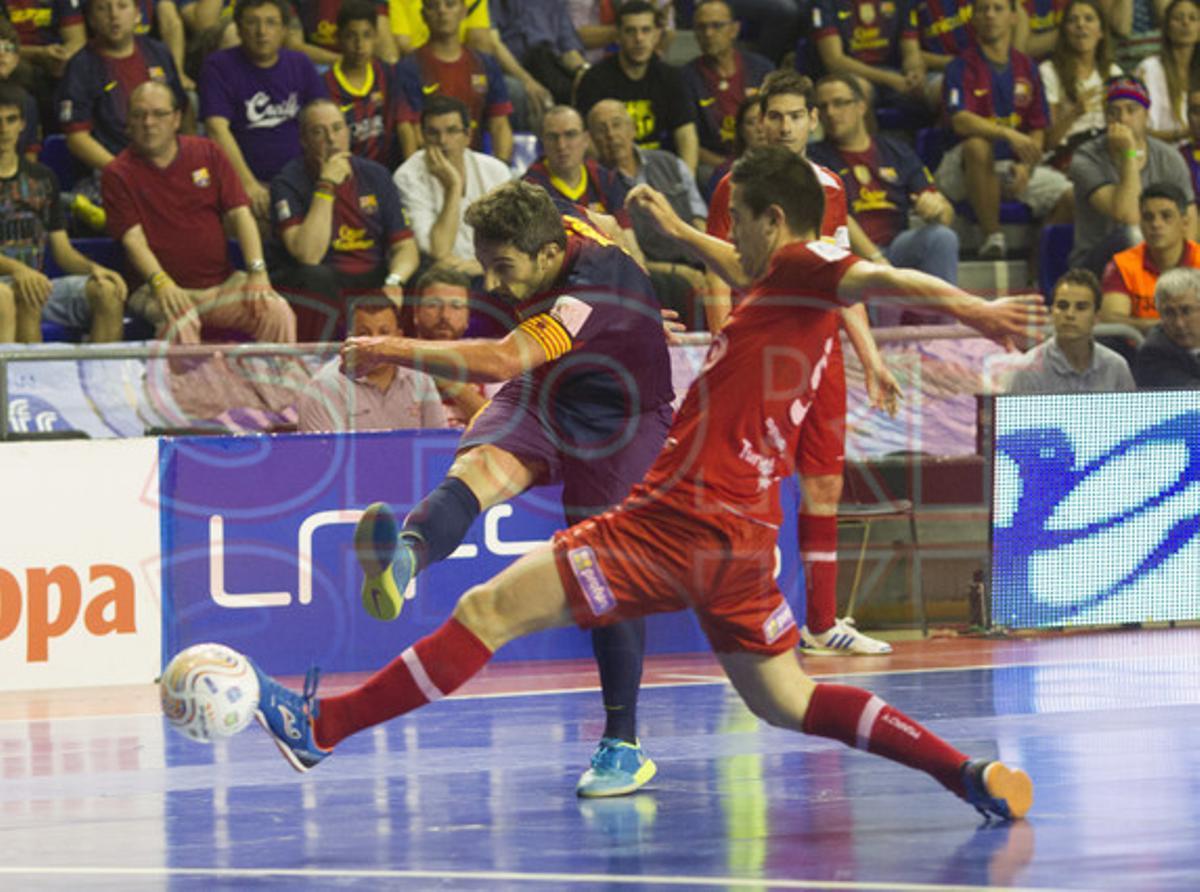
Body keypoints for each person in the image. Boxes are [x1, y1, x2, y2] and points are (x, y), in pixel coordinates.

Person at [244, 147, 1042, 826]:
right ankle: (964, 774)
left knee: (486, 611)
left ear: (774, 220)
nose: (730, 235)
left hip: (673, 521)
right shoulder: (783, 289)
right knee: (787, 700)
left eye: (737, 220)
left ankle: (324, 726)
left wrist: (977, 311)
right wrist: (679, 233)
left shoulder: (808, 265)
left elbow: (878, 272)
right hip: (743, 540)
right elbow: (751, 266)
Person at [325, 180, 676, 797]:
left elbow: (500, 362)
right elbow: (604, 221)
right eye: (484, 264)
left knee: (604, 572)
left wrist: (391, 348)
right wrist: (643, 301)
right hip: (549, 390)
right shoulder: (550, 215)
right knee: (479, 468)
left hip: (620, 421)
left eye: (504, 268)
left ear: (548, 255)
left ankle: (624, 745)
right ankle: (404, 560)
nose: (492, 284)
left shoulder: (585, 295)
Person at [682, 69, 904, 656]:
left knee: (825, 483)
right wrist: (724, 341)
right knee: (753, 483)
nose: (784, 126)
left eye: (795, 116)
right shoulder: (735, 185)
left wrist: (871, 358)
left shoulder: (831, 187)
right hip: (764, 354)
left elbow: (842, 278)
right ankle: (744, 617)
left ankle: (822, 624)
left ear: (812, 121)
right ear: (759, 123)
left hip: (821, 351)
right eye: (774, 116)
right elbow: (719, 268)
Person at [101, 81, 295, 345]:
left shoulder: (208, 152)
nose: (148, 122)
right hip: (155, 288)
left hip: (221, 285)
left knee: (275, 310)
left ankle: (276, 374)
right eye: (139, 114)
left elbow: (240, 214)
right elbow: (133, 240)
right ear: (128, 122)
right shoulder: (117, 173)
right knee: (180, 321)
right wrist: (162, 283)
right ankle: (191, 376)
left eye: (159, 114)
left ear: (176, 119)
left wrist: (257, 271)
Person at [809, 72, 959, 323]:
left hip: (896, 248)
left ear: (861, 106)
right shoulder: (815, 158)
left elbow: (945, 212)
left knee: (942, 237)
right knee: (868, 274)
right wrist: (877, 262)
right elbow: (837, 214)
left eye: (839, 103)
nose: (831, 113)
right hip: (848, 255)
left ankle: (943, 334)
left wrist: (937, 208)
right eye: (823, 107)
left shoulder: (895, 150)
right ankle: (880, 342)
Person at [270, 98, 419, 342]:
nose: (331, 139)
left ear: (348, 133)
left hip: (373, 276)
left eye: (337, 128)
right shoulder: (288, 182)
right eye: (319, 132)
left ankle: (414, 354)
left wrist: (394, 281)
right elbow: (308, 254)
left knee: (421, 274)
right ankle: (315, 358)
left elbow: (405, 246)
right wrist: (326, 186)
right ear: (304, 140)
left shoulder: (376, 175)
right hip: (327, 278)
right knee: (315, 275)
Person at [935, 0, 1072, 260]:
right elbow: (960, 121)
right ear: (973, 18)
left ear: (1013, 17)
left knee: (1070, 196)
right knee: (978, 145)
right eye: (983, 9)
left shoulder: (1027, 67)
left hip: (1011, 167)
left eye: (998, 8)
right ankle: (992, 237)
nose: (990, 15)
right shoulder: (960, 66)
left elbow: (1038, 128)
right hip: (962, 169)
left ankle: (1037, 265)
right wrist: (1008, 134)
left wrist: (1026, 166)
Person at [0, 83, 126, 343]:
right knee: (22, 293)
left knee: (107, 291)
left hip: (38, 284)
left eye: (10, 120)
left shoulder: (43, 178)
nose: (3, 129)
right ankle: (27, 371)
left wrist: (94, 269)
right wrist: (18, 270)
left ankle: (101, 371)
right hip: (10, 289)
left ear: (22, 124)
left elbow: (63, 251)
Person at [199, 0, 326, 222]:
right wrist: (248, 184)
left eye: (271, 23)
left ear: (284, 30)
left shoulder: (300, 64)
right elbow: (216, 129)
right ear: (238, 29)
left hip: (301, 181)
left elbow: (322, 120)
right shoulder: (218, 66)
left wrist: (324, 176)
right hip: (245, 185)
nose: (262, 32)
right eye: (252, 22)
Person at [588, 98, 710, 327]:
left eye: (617, 124)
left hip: (693, 260)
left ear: (633, 129)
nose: (611, 135)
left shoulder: (670, 163)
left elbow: (699, 220)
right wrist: (678, 271)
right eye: (601, 129)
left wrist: (709, 264)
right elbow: (627, 256)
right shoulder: (596, 182)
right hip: (651, 270)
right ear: (591, 139)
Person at [1068, 74, 1197, 274]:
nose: (1123, 119)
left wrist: (1183, 268)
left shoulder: (1169, 157)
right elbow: (1129, 215)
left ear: (1146, 115)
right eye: (1113, 112)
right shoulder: (1086, 157)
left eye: (1132, 110)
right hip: (1096, 261)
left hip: (1160, 256)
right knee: (1134, 235)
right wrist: (1129, 153)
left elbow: (1189, 217)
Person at [56, 0, 190, 185]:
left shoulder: (158, 52)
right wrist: (123, 172)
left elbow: (182, 112)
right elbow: (77, 138)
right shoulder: (81, 66)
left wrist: (186, 160)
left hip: (167, 164)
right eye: (103, 8)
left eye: (122, 6)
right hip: (113, 170)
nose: (114, 15)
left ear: (137, 14)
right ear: (91, 19)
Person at [575, 0, 699, 175]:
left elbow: (686, 134)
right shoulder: (594, 79)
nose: (639, 39)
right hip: (611, 173)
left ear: (657, 35)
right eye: (630, 31)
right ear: (618, 36)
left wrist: (687, 179)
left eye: (646, 30)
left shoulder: (672, 77)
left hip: (661, 170)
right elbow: (586, 140)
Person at [392, 94, 512, 273]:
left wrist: (484, 266)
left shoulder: (496, 171)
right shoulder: (407, 177)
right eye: (433, 133)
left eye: (452, 131)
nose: (443, 141)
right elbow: (437, 251)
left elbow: (512, 239)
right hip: (439, 274)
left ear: (468, 135)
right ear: (423, 137)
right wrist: (453, 187)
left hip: (492, 269)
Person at [297, 296, 447, 432]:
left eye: (384, 332)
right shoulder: (323, 388)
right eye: (364, 334)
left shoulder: (420, 379)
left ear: (399, 337)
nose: (375, 343)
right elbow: (322, 452)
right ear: (350, 339)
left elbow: (439, 442)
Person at [393, 0, 513, 162]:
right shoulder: (409, 67)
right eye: (433, 6)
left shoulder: (485, 64)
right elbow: (411, 132)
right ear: (423, 15)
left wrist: (502, 166)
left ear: (464, 11)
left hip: (475, 165)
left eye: (450, 4)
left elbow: (500, 124)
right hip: (430, 164)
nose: (442, 11)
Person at [680, 0, 773, 174]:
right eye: (701, 27)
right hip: (717, 166)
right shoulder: (686, 77)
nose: (708, 33)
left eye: (716, 26)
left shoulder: (762, 69)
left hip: (764, 159)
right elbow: (688, 140)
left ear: (734, 29)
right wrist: (730, 168)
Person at [1009, 268, 1136, 391]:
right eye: (1062, 306)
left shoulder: (1116, 367)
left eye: (1081, 307)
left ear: (1096, 316)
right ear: (1052, 312)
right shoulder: (1028, 369)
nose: (1070, 314)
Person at [322, 0, 409, 166]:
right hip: (347, 172)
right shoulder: (324, 85)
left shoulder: (388, 74)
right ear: (338, 38)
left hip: (388, 171)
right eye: (351, 36)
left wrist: (410, 170)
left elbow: (404, 125)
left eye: (367, 35)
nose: (359, 44)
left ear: (376, 37)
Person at [1040, 0, 1124, 169]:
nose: (1080, 25)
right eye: (1073, 20)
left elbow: (1127, 130)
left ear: (1101, 32)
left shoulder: (1114, 72)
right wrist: (1075, 112)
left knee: (1138, 159)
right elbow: (1047, 143)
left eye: (1088, 19)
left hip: (1107, 151)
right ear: (1065, 31)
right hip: (1067, 155)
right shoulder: (1049, 71)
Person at [810, 0, 926, 109]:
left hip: (894, 71)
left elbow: (911, 51)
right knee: (858, 90)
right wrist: (889, 79)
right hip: (851, 74)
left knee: (929, 88)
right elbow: (834, 61)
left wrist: (914, 72)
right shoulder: (826, 3)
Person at [409, 263, 486, 427]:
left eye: (456, 306)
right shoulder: (396, 362)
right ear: (416, 313)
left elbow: (501, 425)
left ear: (467, 317)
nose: (445, 315)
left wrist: (446, 379)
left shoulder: (488, 361)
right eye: (433, 305)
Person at [1134, 0, 1200, 144]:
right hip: (1158, 152)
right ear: (1167, 28)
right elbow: (1135, 130)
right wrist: (1181, 135)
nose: (1186, 23)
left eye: (1193, 18)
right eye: (1178, 18)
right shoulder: (1148, 69)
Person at [1133, 264, 1200, 384]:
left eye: (1186, 311)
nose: (1179, 323)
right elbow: (1188, 391)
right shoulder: (1153, 353)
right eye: (1169, 313)